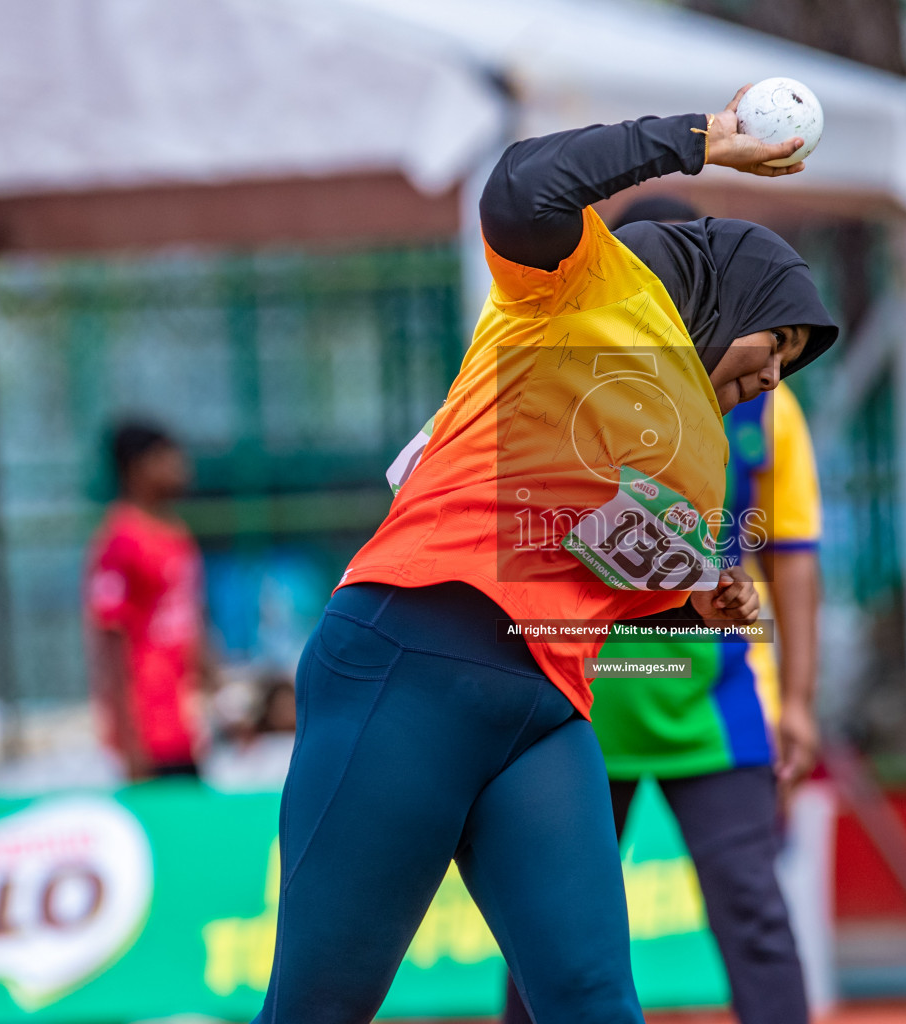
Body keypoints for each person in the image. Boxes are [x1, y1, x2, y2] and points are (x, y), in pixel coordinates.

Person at [251, 88, 838, 1024]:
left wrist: (694, 604)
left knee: (594, 1000)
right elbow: (524, 183)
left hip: (544, 708)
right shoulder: (580, 284)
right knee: (320, 1006)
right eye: (778, 342)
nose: (775, 376)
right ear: (729, 290)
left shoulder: (702, 446)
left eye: (793, 365)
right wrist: (701, 140)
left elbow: (585, 559)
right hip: (409, 659)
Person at [501, 196, 823, 1024]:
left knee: (752, 914)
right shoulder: (573, 392)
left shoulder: (767, 403)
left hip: (715, 706)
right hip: (582, 699)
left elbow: (794, 556)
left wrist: (799, 702)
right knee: (547, 928)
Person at [85, 421, 210, 780]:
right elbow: (110, 642)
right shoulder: (121, 540)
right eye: (166, 458)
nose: (180, 466)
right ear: (136, 468)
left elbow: (190, 618)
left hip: (187, 721)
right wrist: (128, 741)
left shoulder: (175, 533)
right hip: (149, 730)